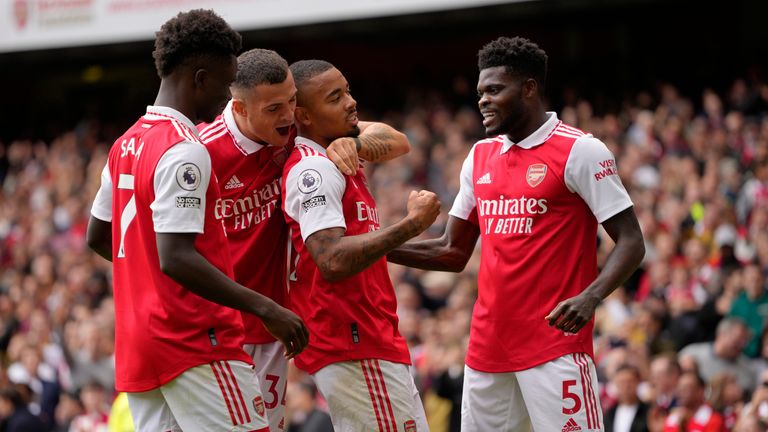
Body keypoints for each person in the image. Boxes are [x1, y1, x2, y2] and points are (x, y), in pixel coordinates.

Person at [388, 36, 645, 431]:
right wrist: (377, 247)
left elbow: (631, 241)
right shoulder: (480, 156)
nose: (483, 100)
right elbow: (452, 250)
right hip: (487, 348)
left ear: (529, 88)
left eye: (494, 90)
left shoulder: (581, 151)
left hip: (554, 344)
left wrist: (591, 297)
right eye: (480, 92)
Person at [86, 10, 308, 432]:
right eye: (225, 84)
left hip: (139, 345)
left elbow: (99, 236)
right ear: (200, 78)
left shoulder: (125, 143)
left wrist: (146, 277)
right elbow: (176, 257)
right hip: (195, 341)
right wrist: (266, 307)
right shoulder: (186, 149)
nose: (227, 98)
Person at [199, 48, 411, 431]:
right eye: (275, 108)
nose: (288, 115)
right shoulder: (201, 151)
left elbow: (397, 141)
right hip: (220, 330)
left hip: (273, 327)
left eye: (293, 102)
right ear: (242, 109)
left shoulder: (294, 134)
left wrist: (353, 144)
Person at [282, 59, 440, 431]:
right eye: (335, 97)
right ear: (302, 114)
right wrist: (412, 224)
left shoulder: (337, 149)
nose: (351, 102)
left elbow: (398, 141)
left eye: (347, 90)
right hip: (353, 339)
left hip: (365, 338)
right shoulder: (314, 169)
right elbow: (332, 260)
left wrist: (348, 139)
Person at [604, 364, 650, 432]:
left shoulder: (649, 412)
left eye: (630, 381)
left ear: (638, 383)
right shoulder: (609, 414)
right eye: (622, 382)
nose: (626, 386)